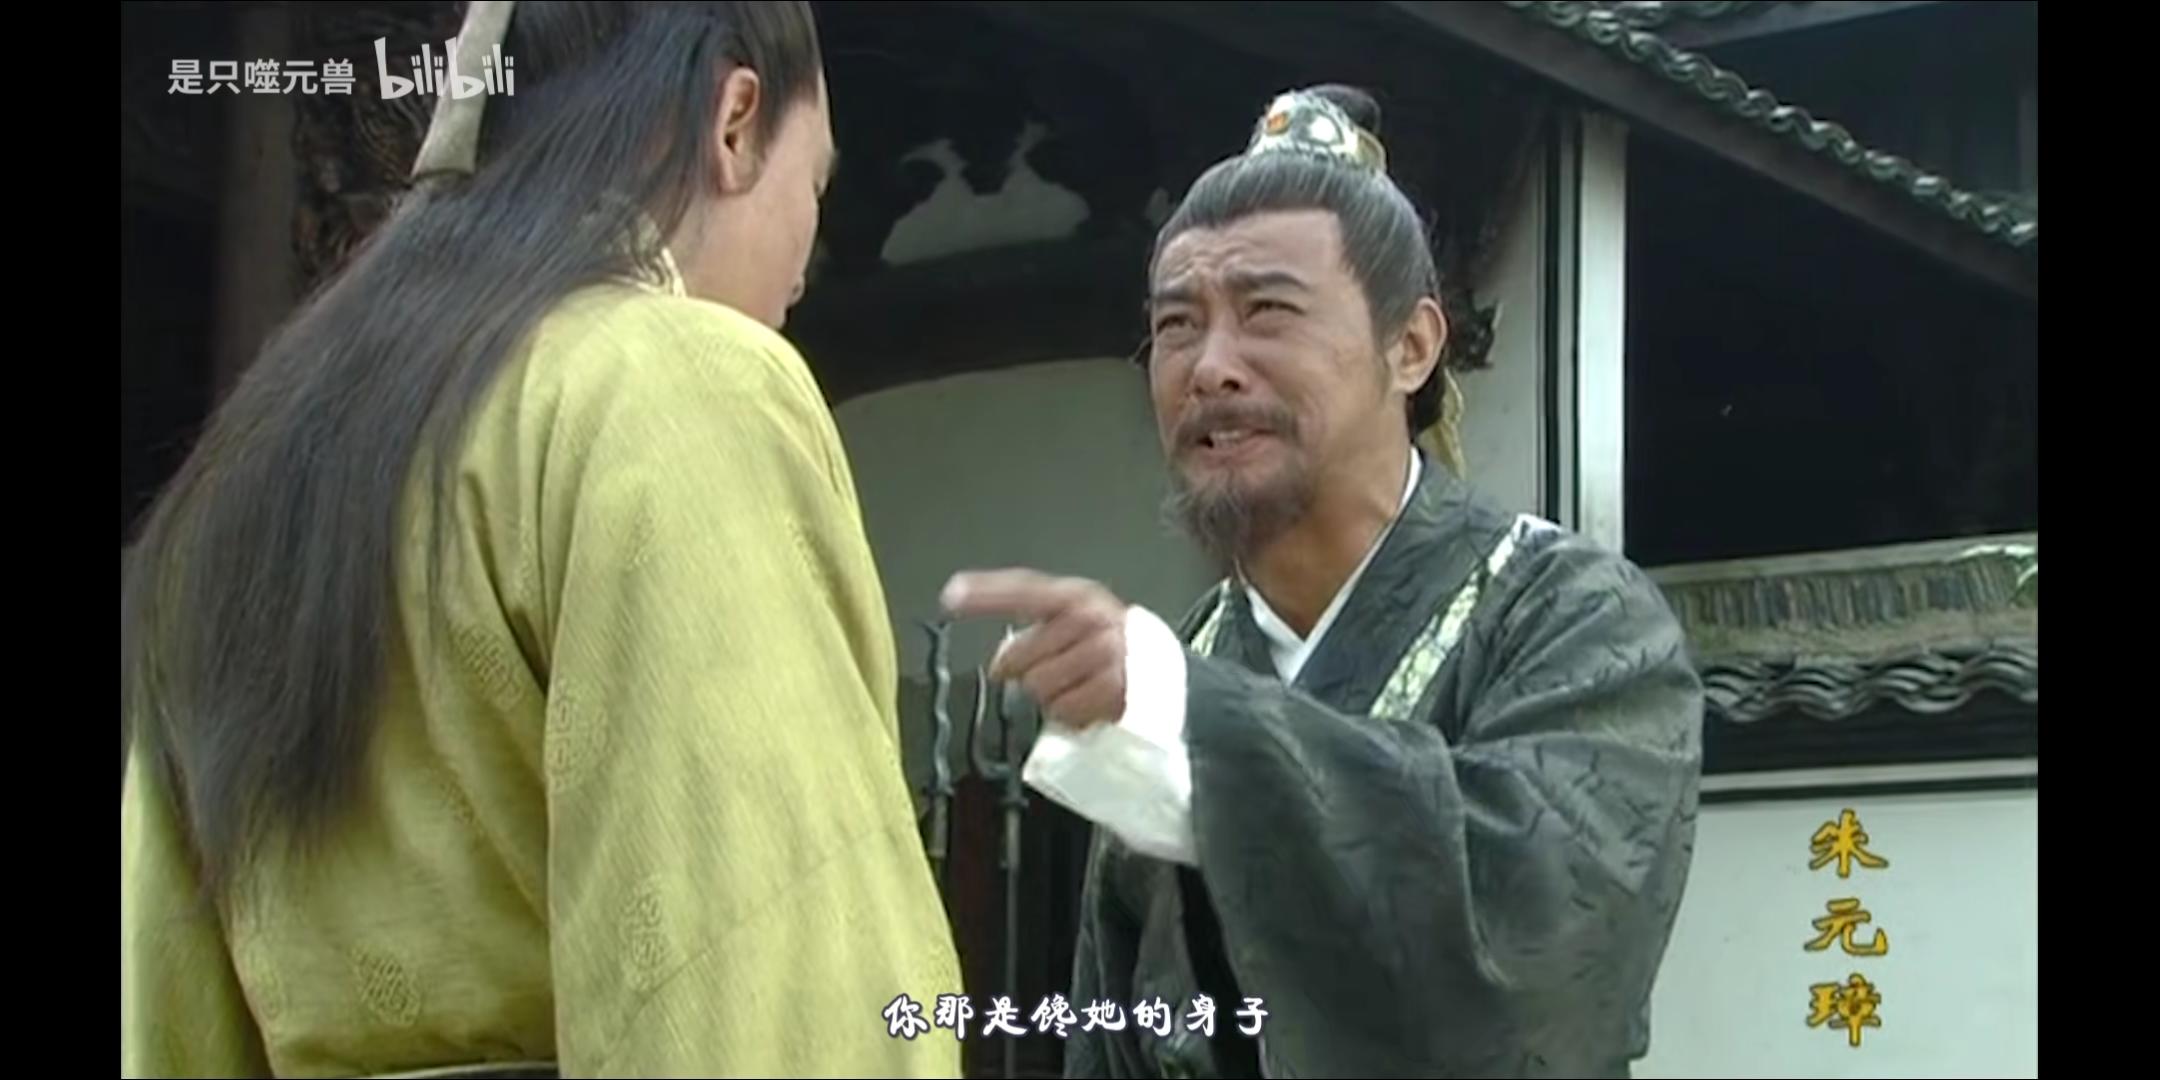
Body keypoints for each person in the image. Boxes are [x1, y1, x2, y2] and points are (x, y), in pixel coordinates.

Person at [120, 4, 961, 1076]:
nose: (805, 265)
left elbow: (166, 1010)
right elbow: (768, 989)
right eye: (817, 185)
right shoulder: (673, 385)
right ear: (736, 123)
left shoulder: (248, 472)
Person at [941, 85, 1703, 1078]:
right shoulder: (1186, 657)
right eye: (1177, 325)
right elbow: (1114, 1030)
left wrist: (1194, 722)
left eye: (1267, 311)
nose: (1211, 367)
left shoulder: (1576, 618)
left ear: (1411, 345)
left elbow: (1547, 966)